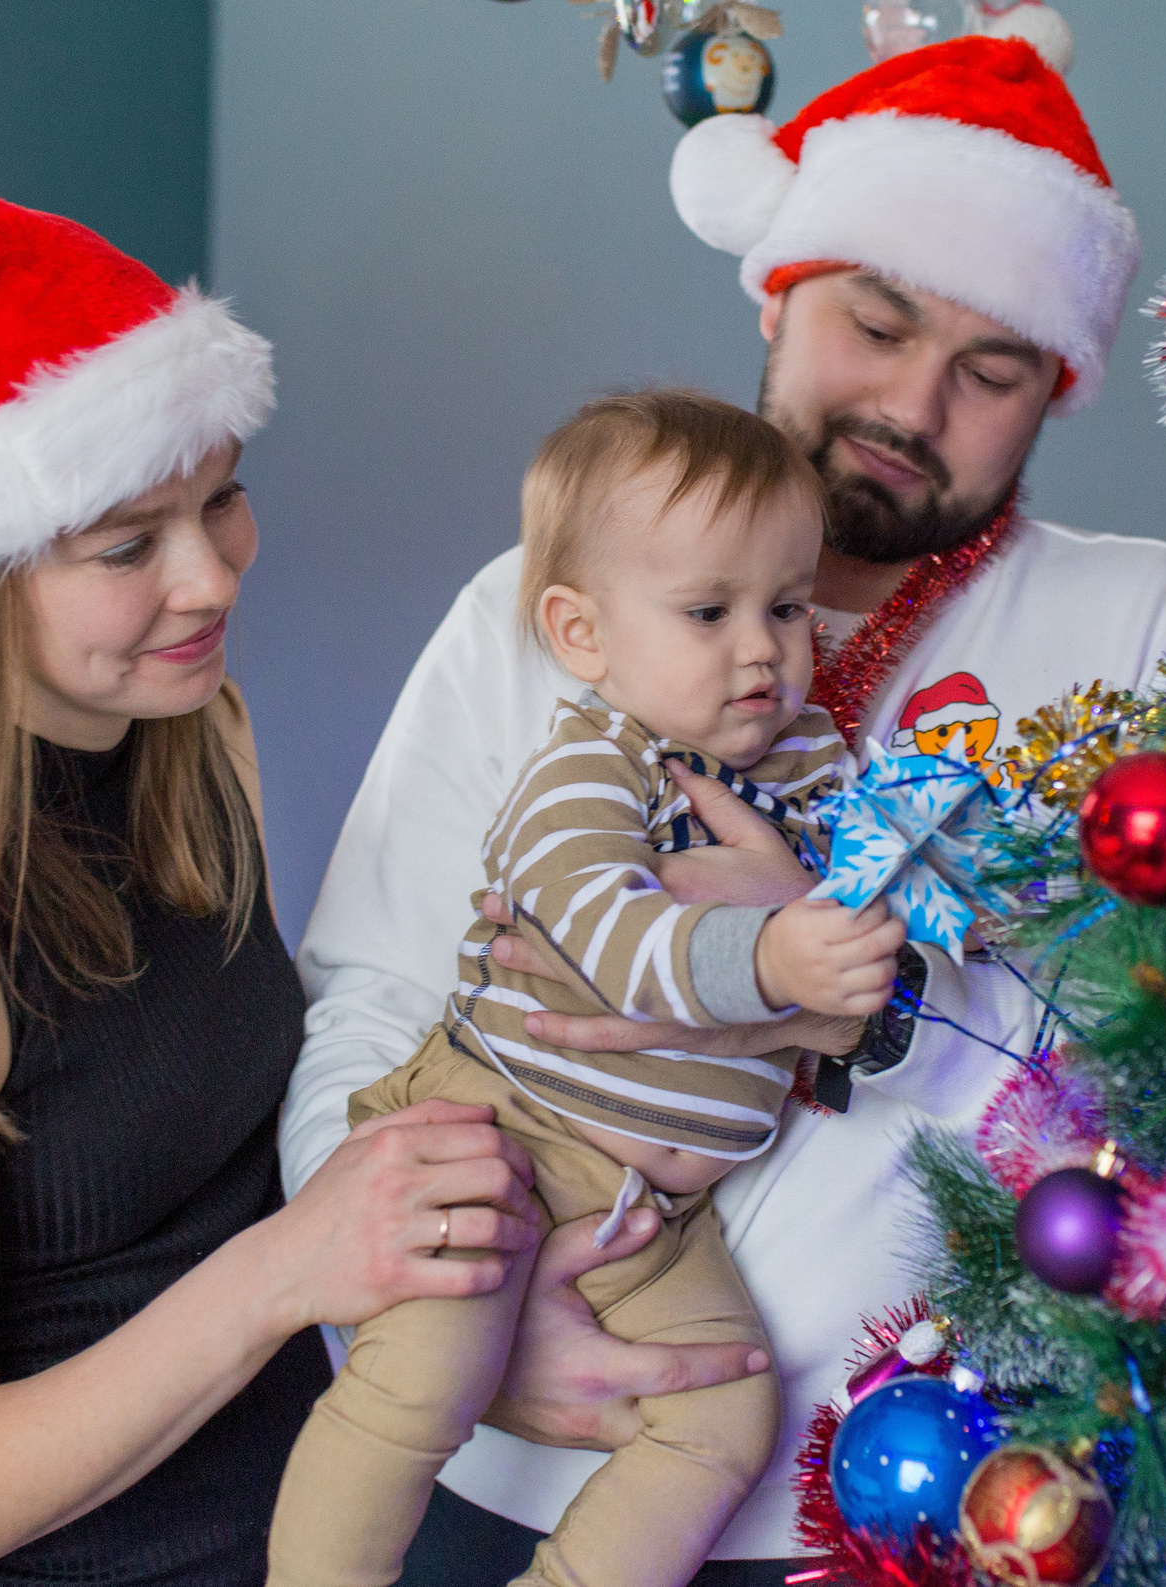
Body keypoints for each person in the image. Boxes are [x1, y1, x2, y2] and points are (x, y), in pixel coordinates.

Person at [285, 36, 1166, 1582]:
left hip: (927, 1505)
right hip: (495, 1460)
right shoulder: (536, 610)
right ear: (777, 287)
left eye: (992, 371)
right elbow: (374, 993)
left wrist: (831, 966)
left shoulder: (1146, 629)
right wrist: (431, 1301)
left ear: (1054, 389)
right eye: (877, 319)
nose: (914, 400)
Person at [0, 184, 540, 1587]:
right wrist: (289, 1269)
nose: (210, 577)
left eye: (223, 500)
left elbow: (231, 1139)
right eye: (127, 545)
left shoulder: (197, 742)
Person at [268, 391, 908, 1587]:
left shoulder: (817, 757)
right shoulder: (589, 765)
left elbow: (887, 919)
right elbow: (609, 936)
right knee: (419, 1379)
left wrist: (869, 941)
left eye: (785, 606)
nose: (762, 648)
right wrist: (775, 958)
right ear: (582, 633)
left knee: (725, 1418)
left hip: (651, 1218)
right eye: (708, 613)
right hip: (504, 1139)